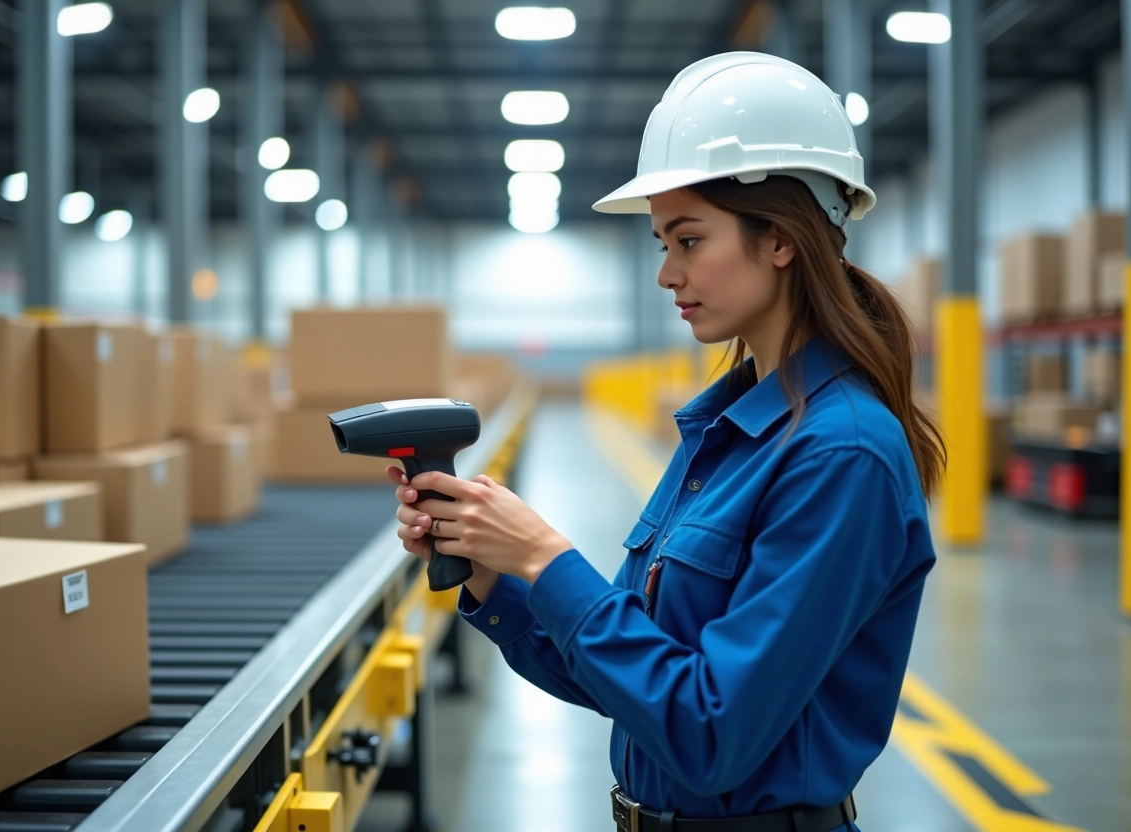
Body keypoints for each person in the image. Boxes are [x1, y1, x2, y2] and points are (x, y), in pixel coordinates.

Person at [385, 52, 944, 832]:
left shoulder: (841, 455)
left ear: (781, 239)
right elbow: (627, 677)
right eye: (662, 245)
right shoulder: (727, 432)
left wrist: (548, 558)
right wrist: (495, 573)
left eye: (689, 240)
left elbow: (712, 732)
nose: (667, 274)